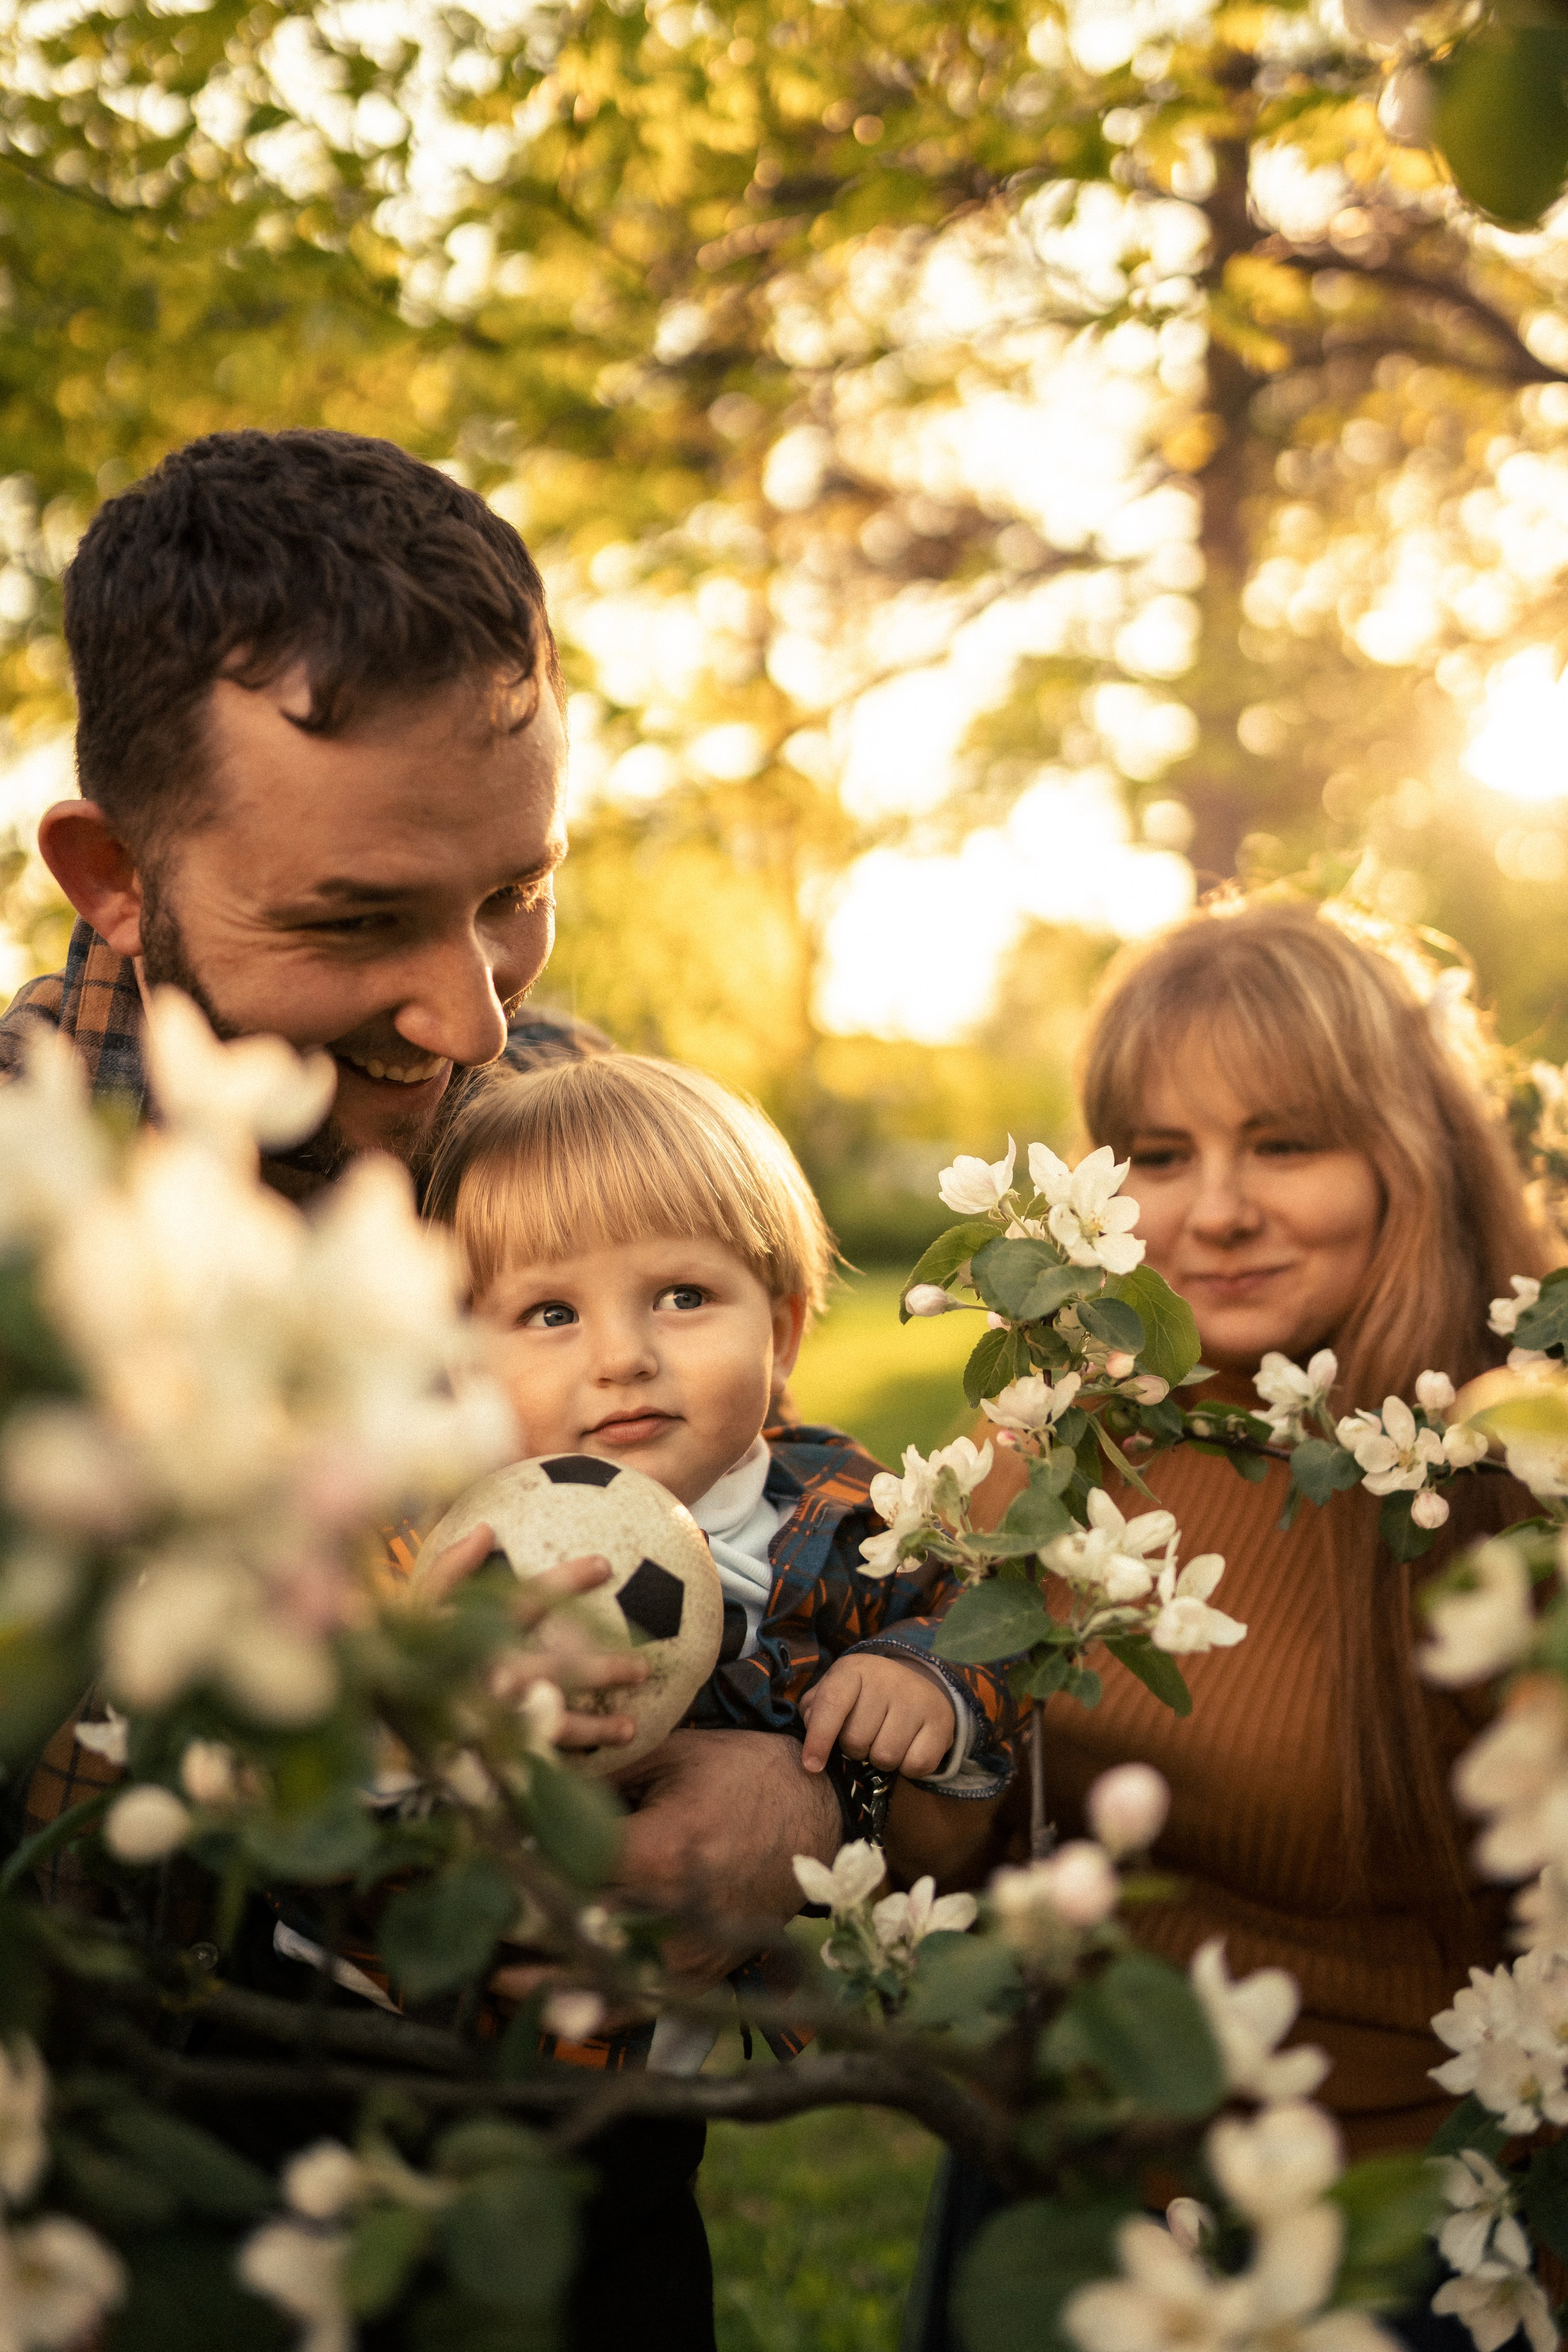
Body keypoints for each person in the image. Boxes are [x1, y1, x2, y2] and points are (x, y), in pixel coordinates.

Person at [0, 428, 894, 2351]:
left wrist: (798, 1776)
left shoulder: (569, 1139)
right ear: (114, 875)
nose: (467, 1015)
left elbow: (818, 1521)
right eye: (356, 920)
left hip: (575, 2218)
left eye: (515, 892)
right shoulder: (21, 1222)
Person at [906, 896, 1553, 2352]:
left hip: (1388, 2232)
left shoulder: (1506, 1483)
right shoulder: (1053, 1436)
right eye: (1154, 1153)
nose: (1212, 1211)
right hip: (1063, 2174)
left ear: (1409, 1154)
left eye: (1282, 1140)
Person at [422, 1053, 1020, 1835]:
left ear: (778, 1336)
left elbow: (987, 1611)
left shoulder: (842, 1513)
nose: (622, 1359)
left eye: (682, 1297)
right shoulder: (463, 1544)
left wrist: (926, 1674)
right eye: (552, 1314)